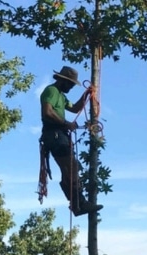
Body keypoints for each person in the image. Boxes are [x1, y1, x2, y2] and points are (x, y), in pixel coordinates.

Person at [40, 66, 103, 216]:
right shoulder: (51, 91)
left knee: (69, 169)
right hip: (54, 134)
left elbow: (75, 108)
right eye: (70, 84)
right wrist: (65, 123)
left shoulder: (61, 96)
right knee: (71, 167)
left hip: (59, 135)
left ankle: (77, 204)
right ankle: (79, 203)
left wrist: (86, 94)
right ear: (62, 80)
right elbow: (47, 112)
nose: (71, 87)